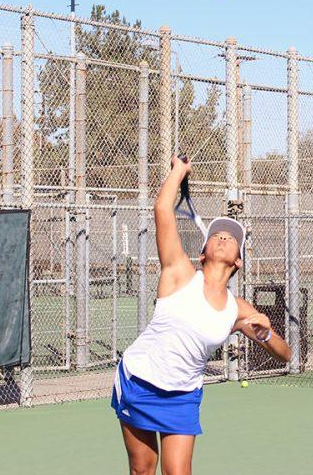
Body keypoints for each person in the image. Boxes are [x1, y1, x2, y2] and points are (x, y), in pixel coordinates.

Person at [112, 156, 292, 475]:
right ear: (203, 252)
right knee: (143, 468)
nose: (223, 237)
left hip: (183, 395)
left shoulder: (239, 310)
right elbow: (162, 210)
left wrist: (266, 334)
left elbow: (285, 355)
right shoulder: (178, 272)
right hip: (139, 380)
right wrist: (178, 172)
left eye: (231, 237)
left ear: (238, 261)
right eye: (216, 235)